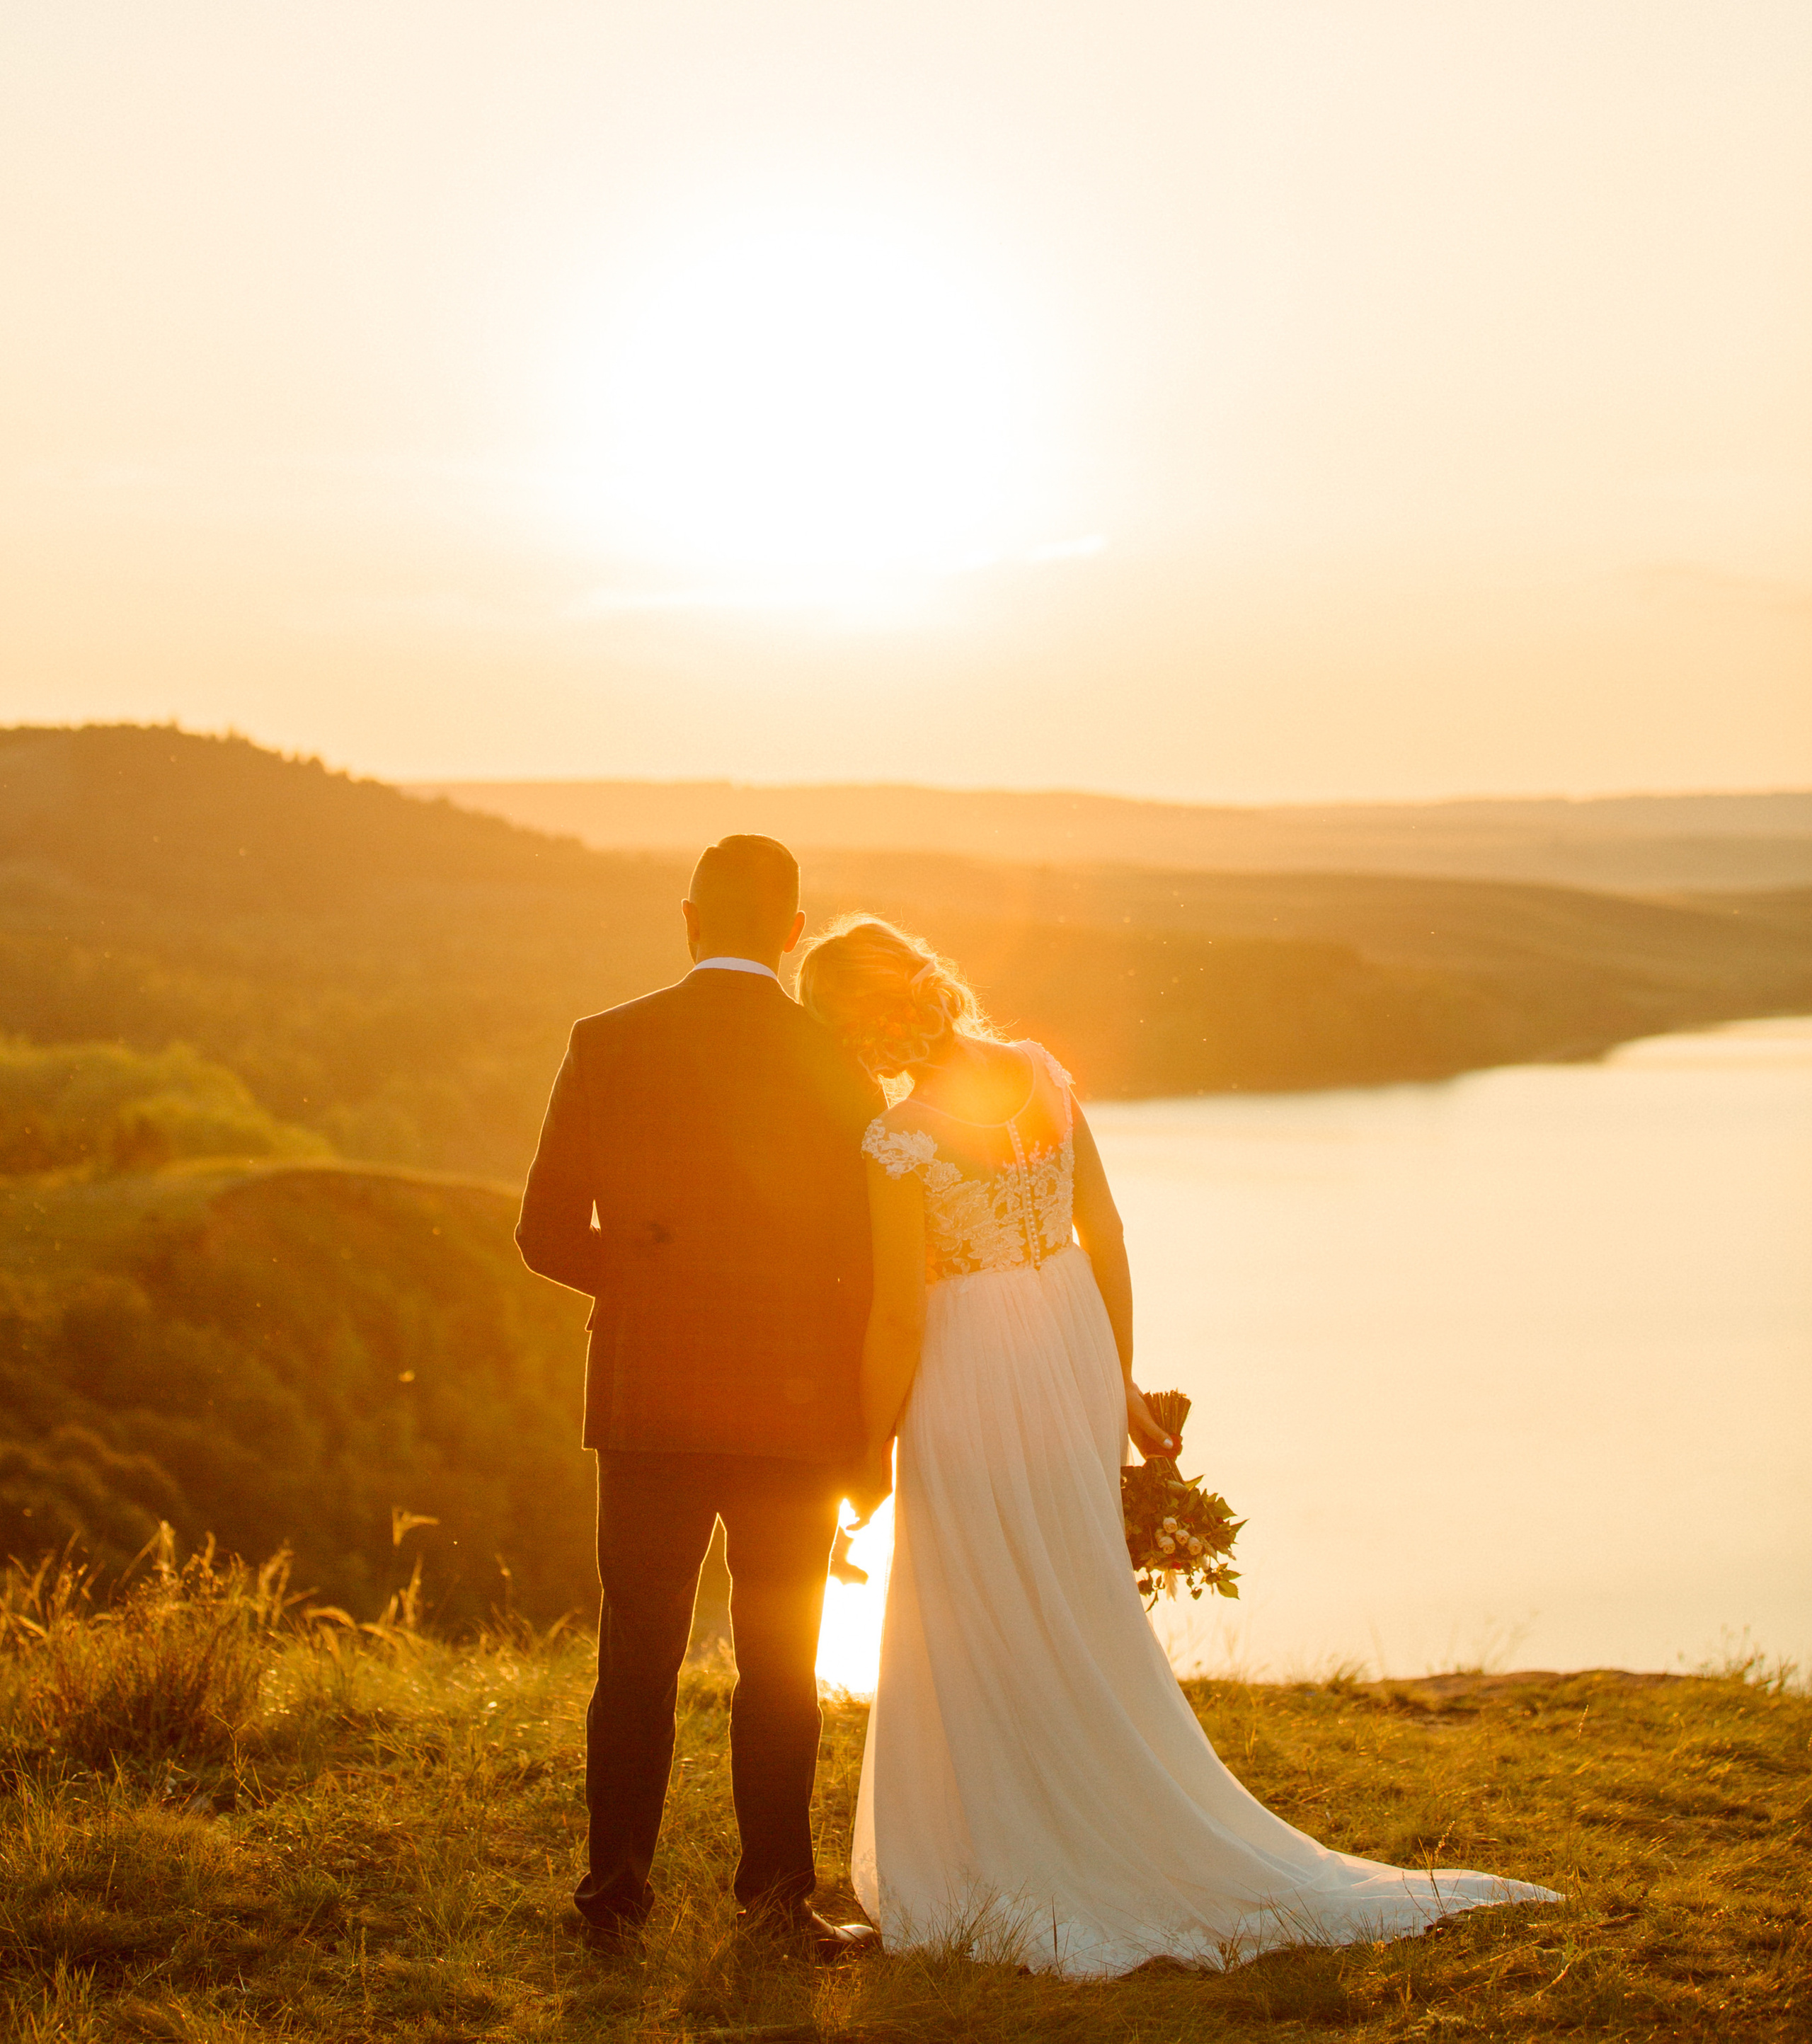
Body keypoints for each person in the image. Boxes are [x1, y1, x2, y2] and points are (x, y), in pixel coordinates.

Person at [797, 914, 1561, 1978]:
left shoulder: (898, 1137)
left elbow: (897, 1322)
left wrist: (864, 1456)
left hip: (971, 1364)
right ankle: (1093, 1805)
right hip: (1067, 1341)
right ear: (928, 984)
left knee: (979, 1600)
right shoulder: (1040, 1075)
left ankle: (1027, 1841)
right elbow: (1102, 1231)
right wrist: (1114, 1380)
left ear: (857, 1026)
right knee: (1072, 1586)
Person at [515, 835, 881, 1958]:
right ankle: (777, 1898)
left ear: (687, 921)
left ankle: (613, 1897)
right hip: (794, 1409)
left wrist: (641, 1276)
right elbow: (868, 1265)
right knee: (781, 1662)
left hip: (648, 1404)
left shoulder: (606, 1041)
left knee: (638, 1654)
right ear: (792, 932)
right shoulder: (836, 1060)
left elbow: (540, 1234)